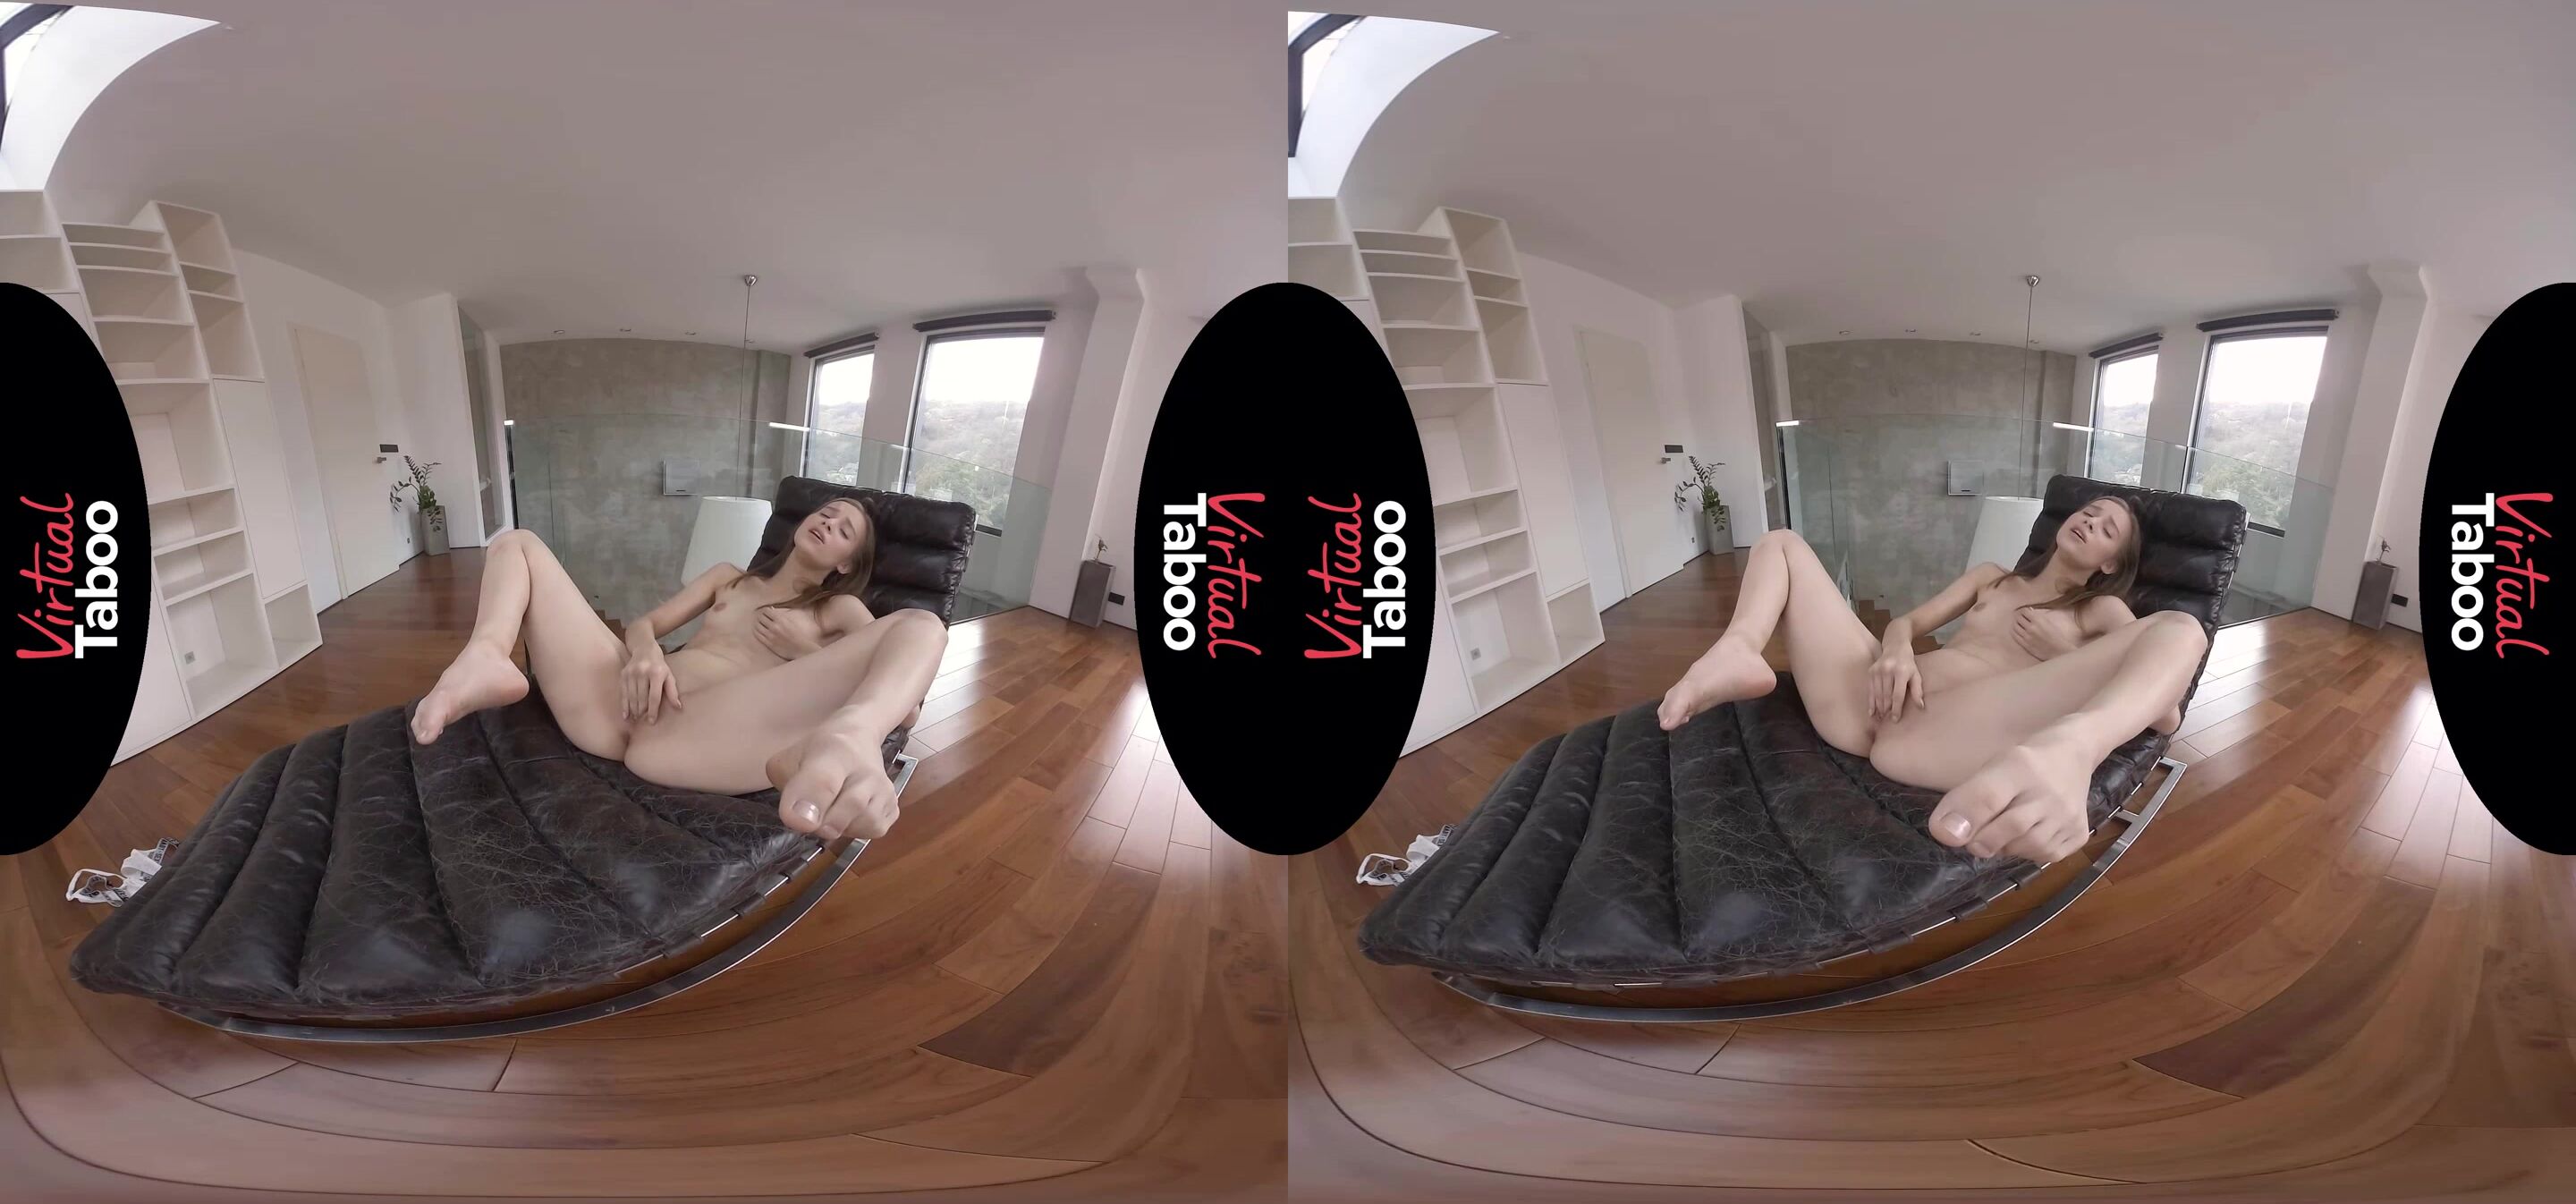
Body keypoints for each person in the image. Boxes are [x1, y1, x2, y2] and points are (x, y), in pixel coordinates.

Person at [1657, 495, 2206, 865]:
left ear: (2110, 564)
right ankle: (1738, 649)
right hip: (1868, 703)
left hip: (1934, 737)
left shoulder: (2101, 612)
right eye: (2089, 512)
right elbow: (1907, 623)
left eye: (2107, 529)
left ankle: (2070, 753)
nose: (2089, 522)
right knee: (1781, 543)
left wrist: (2058, 651)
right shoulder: (1993, 578)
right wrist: (1895, 652)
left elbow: (2165, 713)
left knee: (2182, 628)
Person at [408, 497, 943, 843]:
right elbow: (646, 623)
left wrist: (803, 649)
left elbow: (909, 707)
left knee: (921, 623)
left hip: (694, 736)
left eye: (845, 530)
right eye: (827, 513)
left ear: (846, 564)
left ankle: (849, 740)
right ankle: (487, 654)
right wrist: (646, 654)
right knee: (518, 543)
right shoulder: (729, 578)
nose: (828, 523)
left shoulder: (838, 610)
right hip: (618, 705)